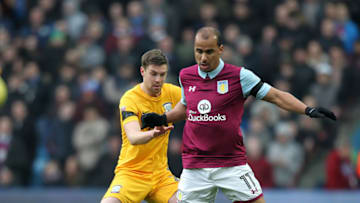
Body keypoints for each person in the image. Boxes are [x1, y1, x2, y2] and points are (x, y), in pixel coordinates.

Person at [141, 27, 337, 203]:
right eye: (199, 51)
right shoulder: (186, 75)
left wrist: (307, 110)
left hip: (230, 163)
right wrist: (161, 118)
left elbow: (276, 96)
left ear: (220, 49)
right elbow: (185, 108)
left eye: (209, 51)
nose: (203, 57)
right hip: (195, 165)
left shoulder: (239, 76)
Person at [101, 49, 181, 203]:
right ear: (142, 71)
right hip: (132, 173)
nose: (158, 79)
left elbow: (200, 102)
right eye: (153, 74)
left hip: (161, 176)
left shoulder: (172, 92)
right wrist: (153, 133)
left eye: (162, 74)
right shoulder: (130, 99)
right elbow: (133, 137)